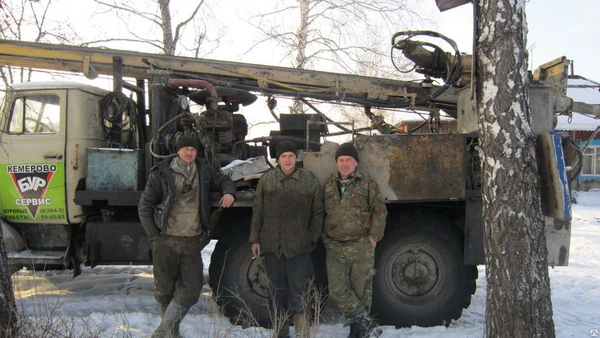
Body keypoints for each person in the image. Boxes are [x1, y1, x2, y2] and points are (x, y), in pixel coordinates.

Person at [138, 134, 236, 338]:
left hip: (192, 240)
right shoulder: (162, 173)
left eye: (193, 149)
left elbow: (225, 180)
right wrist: (155, 236)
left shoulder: (204, 170)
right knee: (165, 291)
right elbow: (144, 205)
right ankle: (171, 334)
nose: (189, 152)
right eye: (185, 149)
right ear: (178, 150)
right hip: (166, 239)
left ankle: (161, 332)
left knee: (192, 290)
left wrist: (229, 192)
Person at [250, 140, 324, 338]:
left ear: (296, 157)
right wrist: (255, 239)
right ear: (278, 159)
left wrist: (311, 237)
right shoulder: (267, 180)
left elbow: (318, 213)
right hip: (273, 246)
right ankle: (280, 333)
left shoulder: (309, 180)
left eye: (291, 156)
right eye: (284, 156)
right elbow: (258, 211)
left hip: (300, 247)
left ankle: (302, 333)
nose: (288, 160)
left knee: (299, 292)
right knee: (277, 292)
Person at [322, 142, 387, 338]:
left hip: (360, 244)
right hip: (334, 245)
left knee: (361, 290)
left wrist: (373, 237)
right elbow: (322, 212)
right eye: (340, 160)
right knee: (337, 290)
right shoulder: (329, 184)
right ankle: (367, 324)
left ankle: (358, 332)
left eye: (348, 159)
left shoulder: (368, 183)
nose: (344, 164)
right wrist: (325, 237)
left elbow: (379, 211)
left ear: (356, 163)